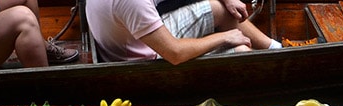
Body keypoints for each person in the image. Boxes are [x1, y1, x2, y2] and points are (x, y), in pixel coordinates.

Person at [86, 0, 280, 64]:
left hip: (137, 36)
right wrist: (224, 37)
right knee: (241, 54)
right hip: (144, 58)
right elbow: (175, 53)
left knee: (221, 8)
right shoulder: (133, 2)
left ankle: (275, 49)